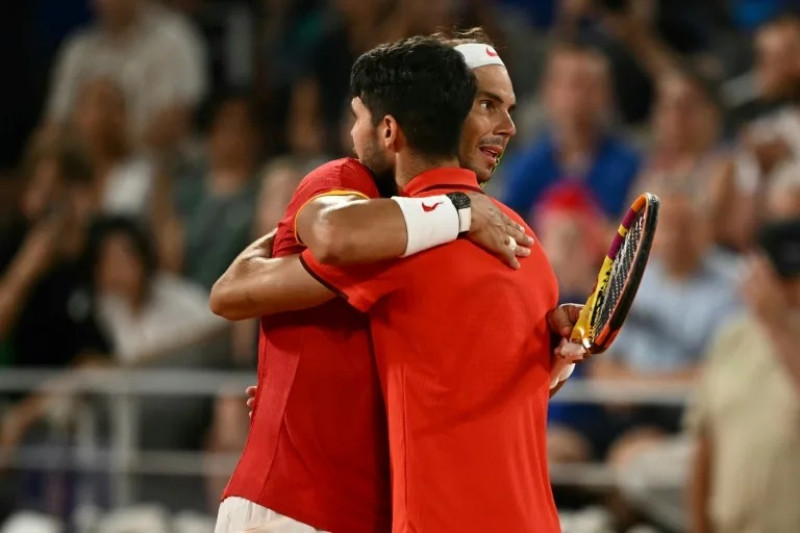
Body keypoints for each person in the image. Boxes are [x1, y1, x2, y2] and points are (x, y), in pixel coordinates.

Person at [211, 30, 580, 533]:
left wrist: (551, 354)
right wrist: (458, 208)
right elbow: (233, 291)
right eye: (488, 105)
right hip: (296, 507)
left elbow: (465, 385)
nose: (508, 126)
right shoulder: (349, 185)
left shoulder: (497, 232)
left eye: (507, 107)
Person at [498, 41, 640, 220]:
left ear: (609, 94)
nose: (580, 97)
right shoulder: (524, 166)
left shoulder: (632, 166)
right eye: (573, 84)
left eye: (592, 86)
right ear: (548, 91)